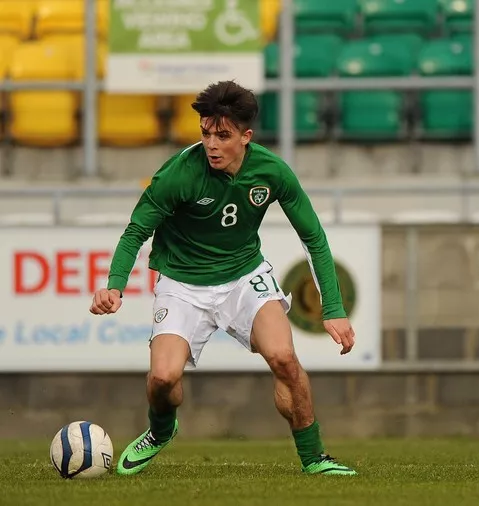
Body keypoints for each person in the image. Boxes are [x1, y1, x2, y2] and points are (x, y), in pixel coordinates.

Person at [90, 80, 357, 476]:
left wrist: (332, 308)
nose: (211, 144)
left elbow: (313, 237)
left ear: (246, 137)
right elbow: (135, 232)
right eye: (205, 133)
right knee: (163, 379)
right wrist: (113, 284)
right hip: (182, 282)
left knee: (285, 359)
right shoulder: (178, 175)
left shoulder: (271, 171)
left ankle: (315, 457)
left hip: (243, 276)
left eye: (223, 135)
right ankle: (161, 430)